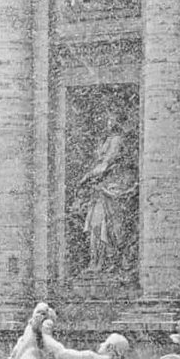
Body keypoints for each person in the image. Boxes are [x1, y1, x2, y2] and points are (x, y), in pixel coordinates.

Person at [76, 113, 138, 273]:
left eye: (111, 118)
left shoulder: (117, 140)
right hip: (101, 190)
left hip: (112, 189)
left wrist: (88, 176)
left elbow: (107, 162)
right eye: (107, 118)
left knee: (106, 226)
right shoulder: (109, 139)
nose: (107, 122)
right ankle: (97, 262)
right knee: (97, 226)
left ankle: (107, 262)